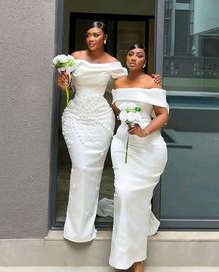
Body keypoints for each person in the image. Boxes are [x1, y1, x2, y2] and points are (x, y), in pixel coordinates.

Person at [57, 22, 162, 243]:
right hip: (75, 116)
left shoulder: (114, 63)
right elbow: (68, 88)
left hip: (101, 119)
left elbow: (127, 86)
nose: (91, 38)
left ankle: (88, 215)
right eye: (88, 35)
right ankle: (77, 229)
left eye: (96, 35)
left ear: (104, 38)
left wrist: (153, 83)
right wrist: (63, 85)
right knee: (81, 167)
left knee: (92, 170)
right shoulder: (74, 58)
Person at [109, 44, 169, 272]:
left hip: (150, 147)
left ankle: (137, 259)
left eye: (140, 55)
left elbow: (163, 115)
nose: (134, 58)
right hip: (123, 144)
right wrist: (127, 122)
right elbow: (117, 108)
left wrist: (144, 130)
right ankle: (129, 256)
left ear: (145, 61)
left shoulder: (152, 83)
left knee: (138, 200)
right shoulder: (118, 83)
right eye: (131, 54)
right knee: (124, 194)